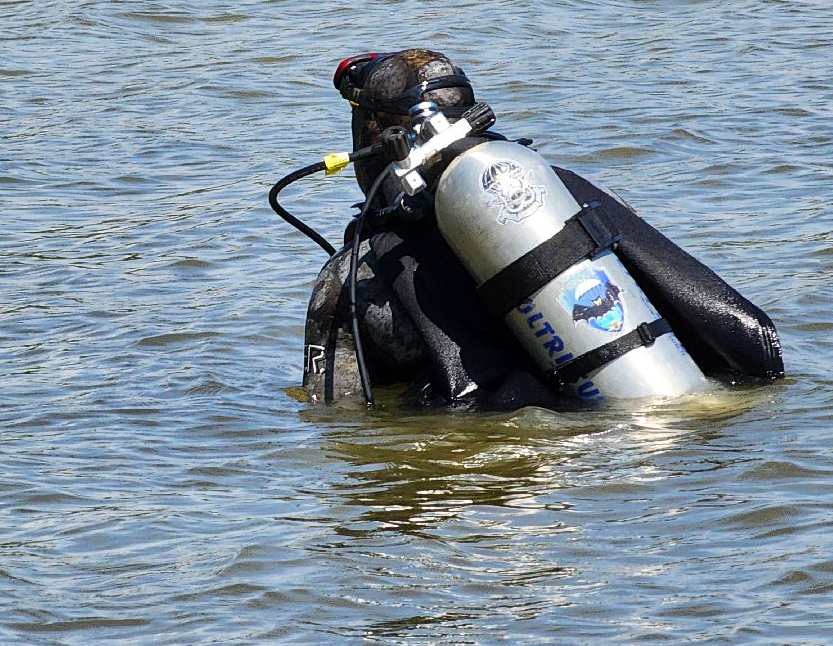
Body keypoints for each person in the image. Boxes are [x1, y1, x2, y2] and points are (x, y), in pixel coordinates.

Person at [300, 49, 783, 409]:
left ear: (374, 140)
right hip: (660, 406)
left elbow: (336, 418)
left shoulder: (352, 276)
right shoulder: (565, 196)